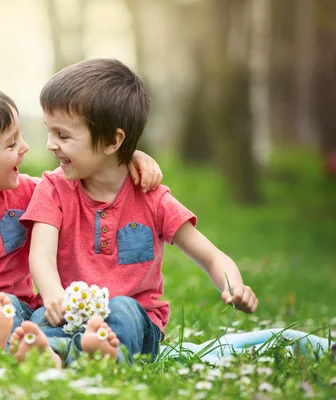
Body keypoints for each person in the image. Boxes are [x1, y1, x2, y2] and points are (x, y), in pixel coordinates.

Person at [0, 84, 164, 358]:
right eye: (11, 144)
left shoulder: (29, 192)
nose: (25, 148)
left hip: (3, 307)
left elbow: (77, 178)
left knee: (6, 303)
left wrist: (124, 157)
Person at [17, 59, 258, 366]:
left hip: (134, 320)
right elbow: (41, 254)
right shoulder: (53, 189)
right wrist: (53, 295)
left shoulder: (152, 199)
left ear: (113, 141)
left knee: (121, 310)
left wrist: (233, 286)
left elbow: (211, 256)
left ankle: (98, 356)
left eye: (63, 136)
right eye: (49, 132)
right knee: (40, 318)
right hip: (65, 309)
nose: (51, 145)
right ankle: (52, 355)